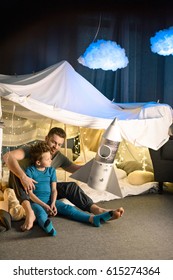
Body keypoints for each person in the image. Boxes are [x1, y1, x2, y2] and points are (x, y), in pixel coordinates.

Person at [3, 127, 124, 231]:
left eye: (59, 144)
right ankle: (30, 213)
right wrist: (23, 177)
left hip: (44, 190)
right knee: (16, 174)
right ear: (46, 138)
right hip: (24, 189)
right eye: (53, 142)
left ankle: (97, 209)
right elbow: (7, 156)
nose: (55, 146)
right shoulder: (32, 150)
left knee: (71, 186)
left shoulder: (59, 157)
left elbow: (77, 169)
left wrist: (99, 165)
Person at [26, 142, 114, 236]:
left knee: (67, 207)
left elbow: (54, 190)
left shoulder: (51, 170)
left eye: (50, 158)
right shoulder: (30, 171)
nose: (51, 161)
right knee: (40, 212)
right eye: (48, 159)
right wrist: (44, 205)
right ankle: (47, 227)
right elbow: (30, 194)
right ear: (38, 162)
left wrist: (52, 203)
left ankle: (92, 219)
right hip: (36, 202)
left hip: (49, 201)